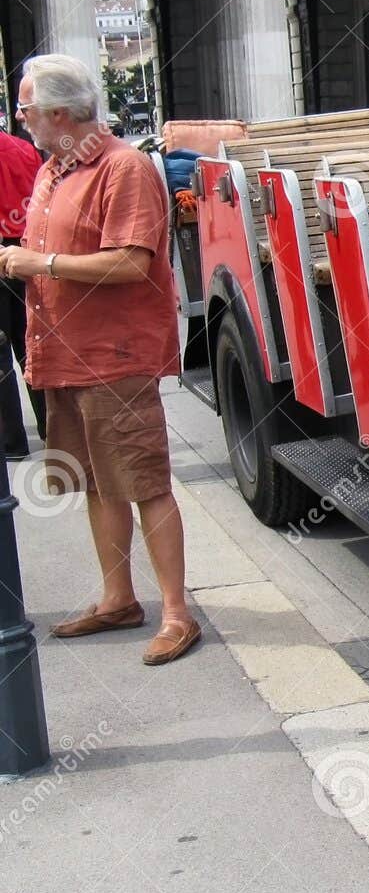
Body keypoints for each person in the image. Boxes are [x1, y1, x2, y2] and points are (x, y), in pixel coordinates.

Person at [0, 54, 199, 666]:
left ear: (59, 112)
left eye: (26, 108)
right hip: (65, 355)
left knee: (143, 483)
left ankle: (176, 612)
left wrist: (40, 265)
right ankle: (119, 598)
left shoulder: (125, 167)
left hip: (114, 360)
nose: (19, 117)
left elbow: (132, 262)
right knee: (94, 480)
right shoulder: (54, 169)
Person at [1, 120, 44, 458]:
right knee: (29, 341)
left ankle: (12, 440)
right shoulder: (25, 149)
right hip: (26, 248)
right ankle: (51, 425)